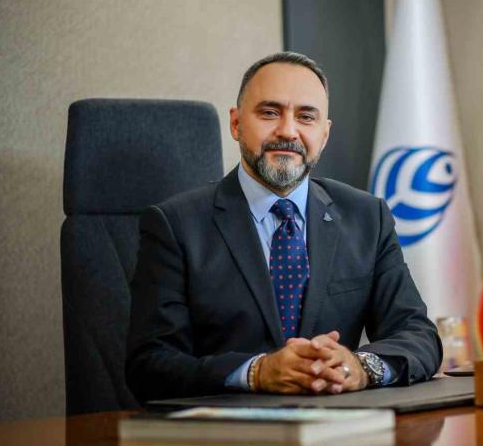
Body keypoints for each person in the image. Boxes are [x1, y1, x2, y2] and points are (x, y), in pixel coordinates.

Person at [126, 52, 442, 402]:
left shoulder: (367, 217)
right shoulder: (175, 224)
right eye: (269, 113)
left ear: (324, 134)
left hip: (339, 429)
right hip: (227, 430)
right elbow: (150, 364)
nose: (288, 131)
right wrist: (256, 372)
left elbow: (419, 336)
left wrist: (360, 367)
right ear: (236, 124)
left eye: (306, 117)